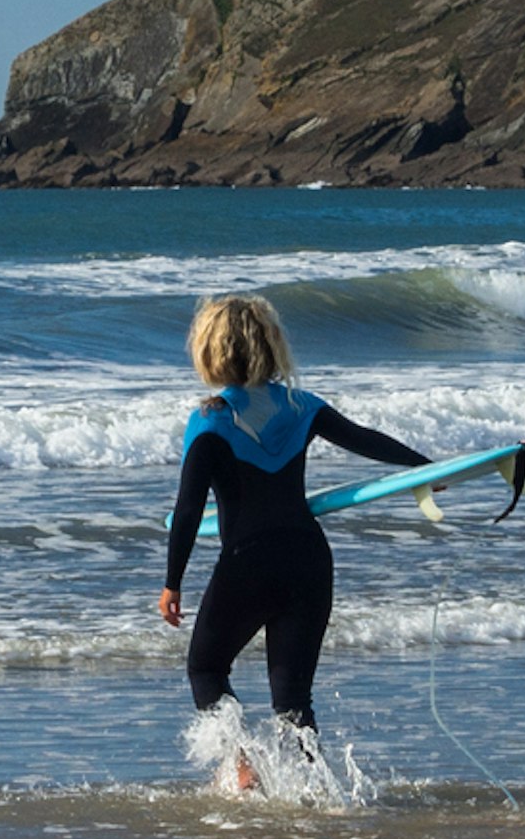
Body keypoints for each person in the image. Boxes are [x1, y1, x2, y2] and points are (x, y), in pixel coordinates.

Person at [160, 293, 427, 751]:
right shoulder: (300, 405)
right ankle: (315, 792)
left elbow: (187, 510)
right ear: (270, 345)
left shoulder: (210, 419)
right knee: (293, 701)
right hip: (308, 559)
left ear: (210, 349)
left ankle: (242, 767)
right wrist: (426, 468)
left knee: (206, 670)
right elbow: (364, 439)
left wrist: (172, 584)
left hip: (249, 562)